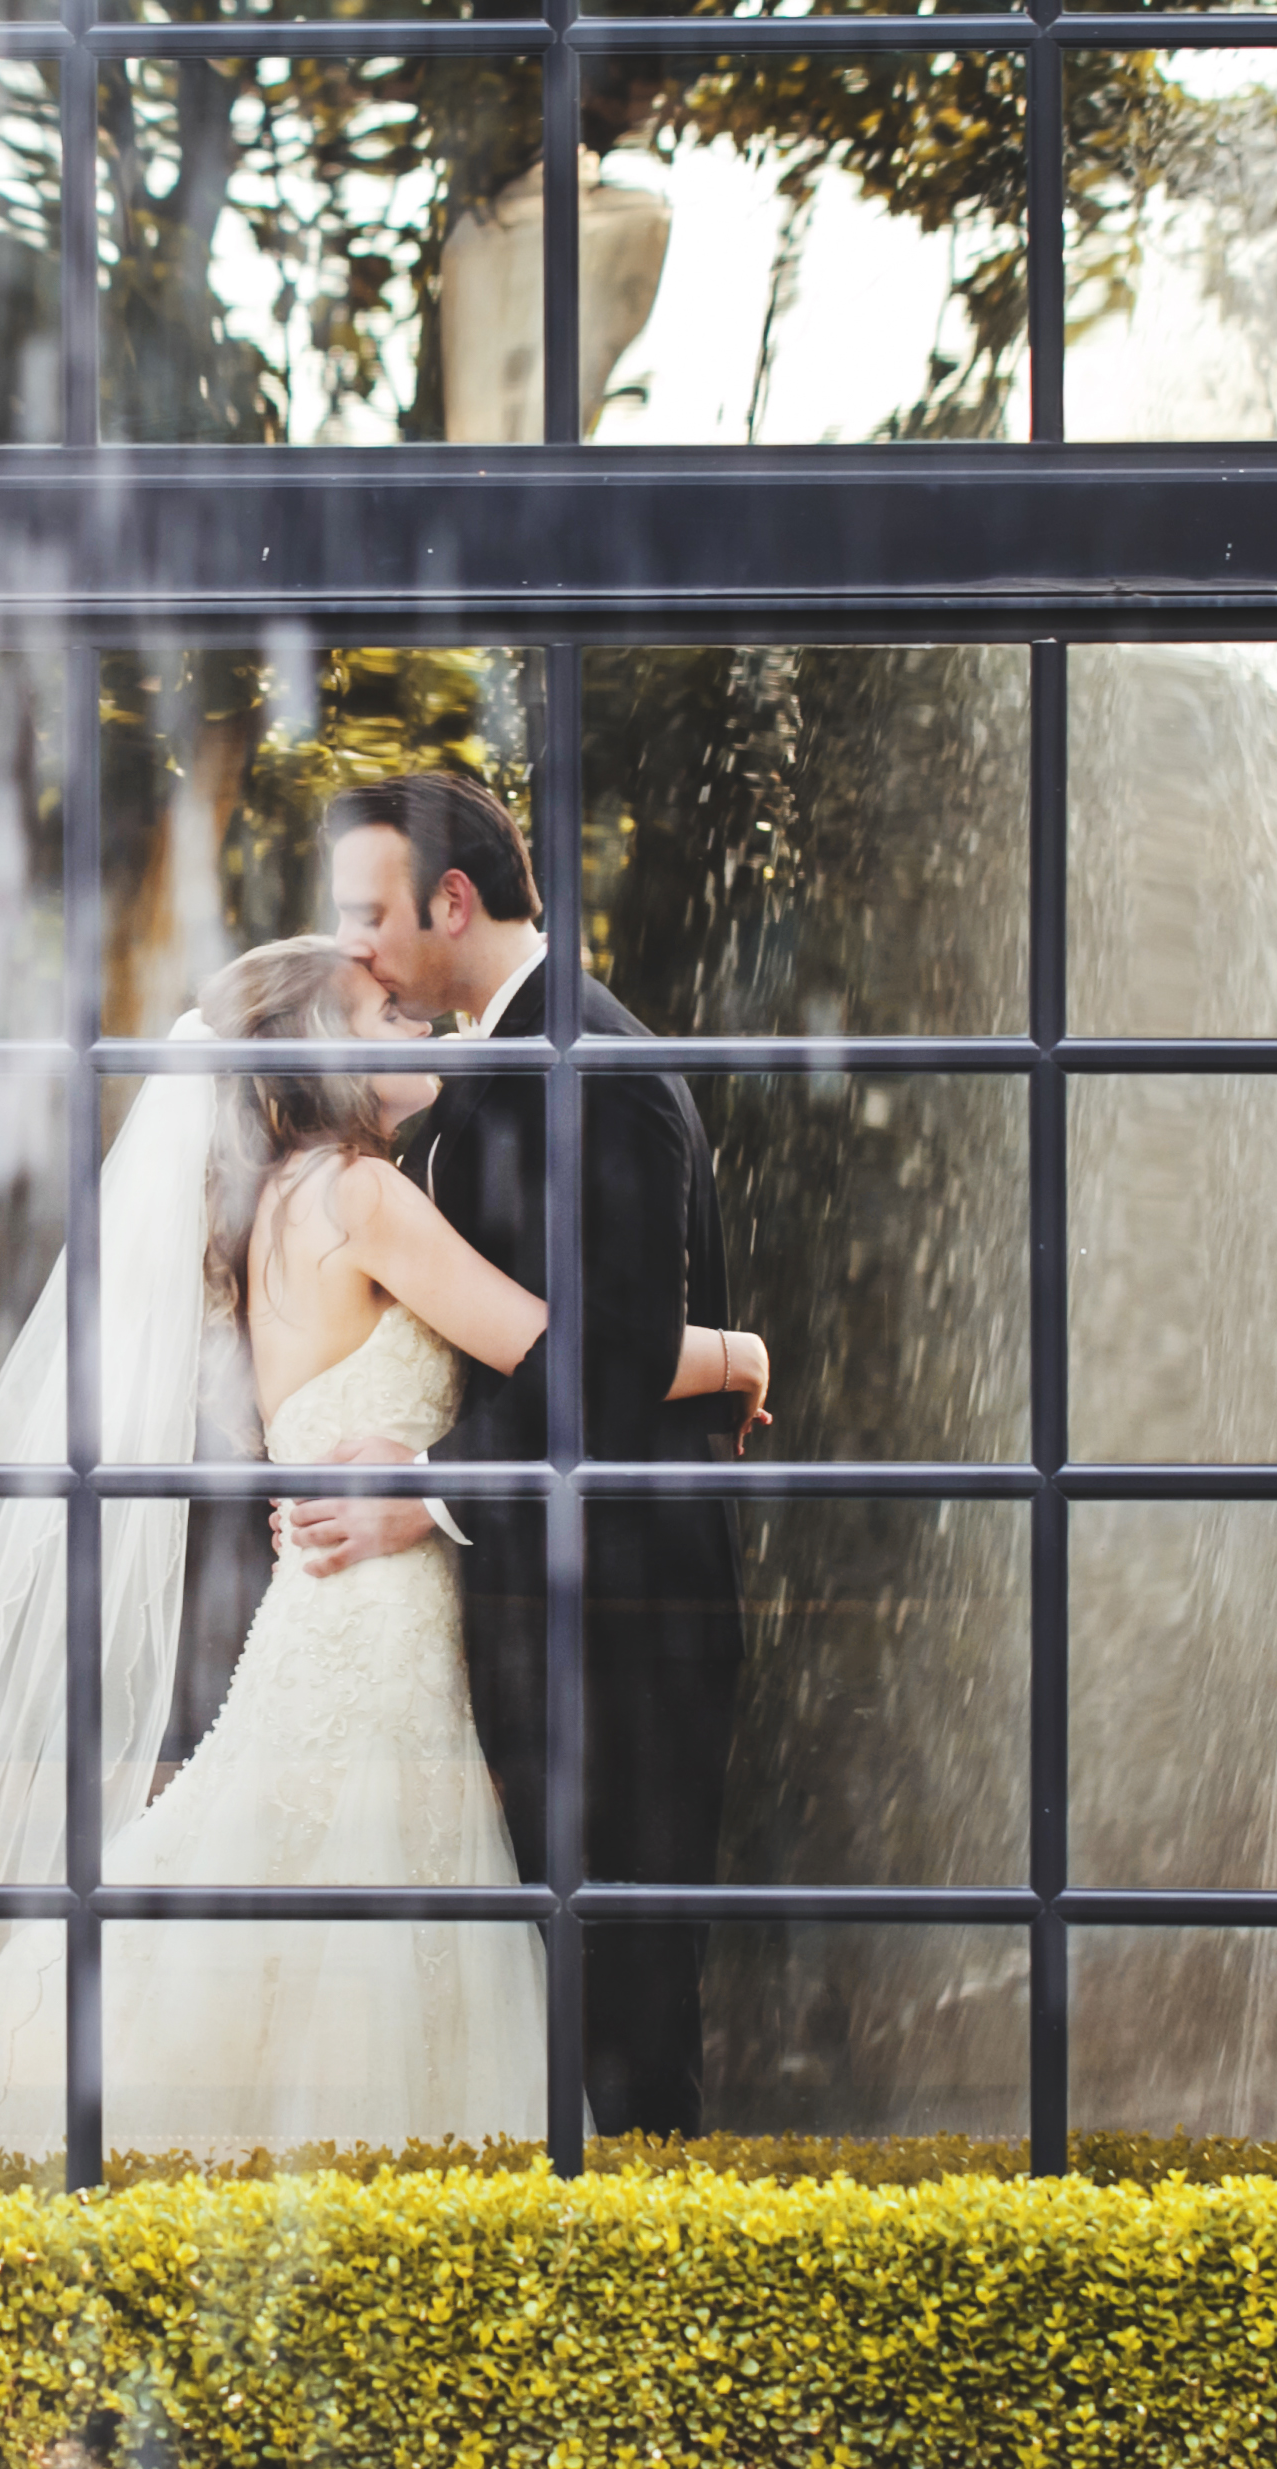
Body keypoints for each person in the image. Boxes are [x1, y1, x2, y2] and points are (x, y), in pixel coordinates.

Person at [0, 938, 770, 2166]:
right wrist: (737, 1354)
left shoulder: (271, 1211)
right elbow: (567, 1354)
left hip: (331, 1613)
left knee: (275, 1931)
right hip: (380, 1629)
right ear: (325, 1052)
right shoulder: (364, 1198)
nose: (420, 1028)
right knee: (371, 1939)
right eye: (383, 1014)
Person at [289, 770, 761, 2138]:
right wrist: (733, 1353)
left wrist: (428, 1489)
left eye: (367, 912)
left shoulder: (592, 1066)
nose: (352, 945)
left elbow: (610, 1358)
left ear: (451, 900)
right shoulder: (485, 1071)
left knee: (628, 2008)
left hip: (625, 1616)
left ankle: (644, 2252)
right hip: (538, 1608)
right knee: (548, 2004)